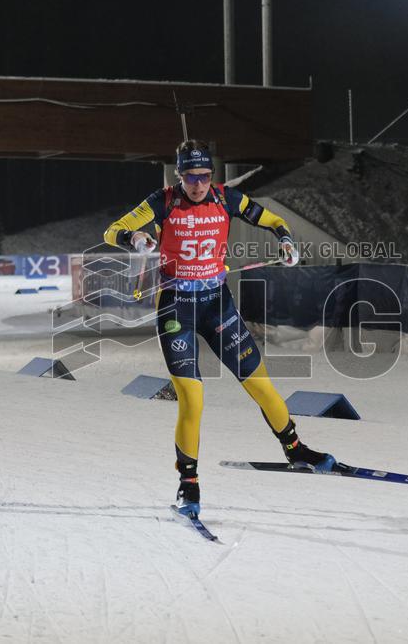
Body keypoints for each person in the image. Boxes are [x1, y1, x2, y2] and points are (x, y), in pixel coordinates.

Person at [103, 140, 335, 516]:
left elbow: (273, 220)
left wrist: (287, 241)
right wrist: (135, 237)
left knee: (261, 385)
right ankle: (188, 484)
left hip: (217, 305)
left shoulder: (227, 199)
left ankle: (296, 450)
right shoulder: (162, 202)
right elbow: (112, 230)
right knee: (193, 399)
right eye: (191, 177)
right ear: (180, 176)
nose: (198, 184)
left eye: (205, 176)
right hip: (176, 308)